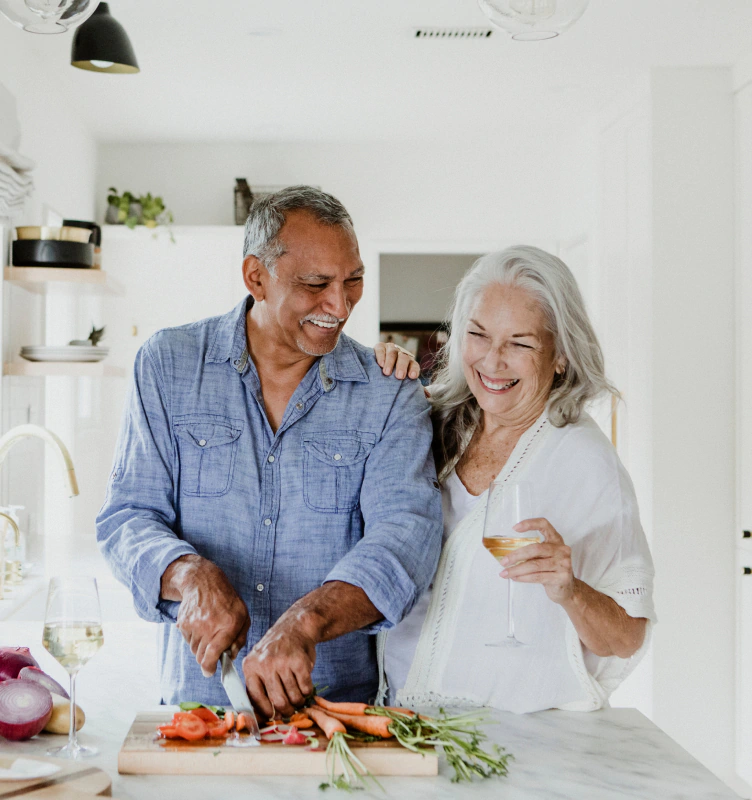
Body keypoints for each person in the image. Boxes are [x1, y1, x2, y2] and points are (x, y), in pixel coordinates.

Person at [96, 186, 442, 718]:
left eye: (353, 281)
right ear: (255, 277)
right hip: (196, 711)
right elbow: (127, 517)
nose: (340, 305)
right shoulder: (167, 365)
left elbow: (404, 541)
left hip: (334, 717)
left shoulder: (389, 391)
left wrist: (306, 622)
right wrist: (188, 574)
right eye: (315, 284)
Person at [375, 245, 655, 713]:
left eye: (520, 344)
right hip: (399, 721)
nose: (492, 360)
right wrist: (378, 374)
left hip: (513, 742)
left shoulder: (585, 463)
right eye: (478, 335)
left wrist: (570, 590)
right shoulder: (432, 423)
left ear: (560, 355)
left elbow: (626, 637)